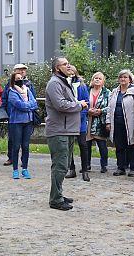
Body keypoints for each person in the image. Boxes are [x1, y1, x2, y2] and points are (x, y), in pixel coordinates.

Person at [45, 57, 87, 211]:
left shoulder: (63, 82)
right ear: (57, 68)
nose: (68, 65)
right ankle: (55, 199)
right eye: (64, 64)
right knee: (60, 165)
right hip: (59, 131)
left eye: (68, 63)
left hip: (68, 130)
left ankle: (59, 194)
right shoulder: (55, 83)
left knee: (63, 165)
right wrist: (79, 105)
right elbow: (61, 105)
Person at [106, 69, 134, 177]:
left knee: (132, 145)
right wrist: (108, 121)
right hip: (116, 122)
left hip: (130, 123)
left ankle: (133, 168)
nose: (123, 79)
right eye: (121, 77)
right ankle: (120, 167)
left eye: (125, 77)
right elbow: (109, 108)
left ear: (130, 80)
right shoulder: (114, 92)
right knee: (119, 146)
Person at [1, 63, 36, 166]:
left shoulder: (29, 85)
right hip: (13, 116)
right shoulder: (10, 85)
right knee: (12, 139)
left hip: (27, 117)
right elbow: (5, 98)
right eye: (20, 70)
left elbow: (34, 100)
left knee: (25, 143)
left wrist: (28, 106)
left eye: (24, 70)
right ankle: (11, 158)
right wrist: (4, 111)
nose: (22, 72)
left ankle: (23, 162)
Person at [7, 71, 38, 179]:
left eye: (22, 77)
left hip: (28, 121)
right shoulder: (11, 91)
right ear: (13, 80)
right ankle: (15, 169)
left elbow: (35, 103)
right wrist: (28, 106)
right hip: (16, 122)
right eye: (18, 78)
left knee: (25, 146)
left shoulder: (27, 90)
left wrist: (27, 105)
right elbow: (19, 105)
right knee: (16, 146)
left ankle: (25, 168)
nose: (21, 79)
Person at [65, 65, 90, 182]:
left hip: (80, 119)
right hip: (68, 119)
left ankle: (85, 170)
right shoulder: (63, 85)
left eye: (72, 72)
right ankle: (72, 169)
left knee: (83, 145)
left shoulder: (82, 86)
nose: (70, 75)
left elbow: (86, 103)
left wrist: (81, 114)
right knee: (69, 145)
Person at [86, 72, 110, 173]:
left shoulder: (107, 92)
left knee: (102, 146)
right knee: (86, 145)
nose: (97, 80)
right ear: (92, 79)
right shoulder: (86, 90)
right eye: (95, 78)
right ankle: (86, 165)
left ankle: (104, 165)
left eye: (100, 78)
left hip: (101, 122)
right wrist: (88, 110)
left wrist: (101, 111)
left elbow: (110, 106)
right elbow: (80, 102)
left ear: (103, 81)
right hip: (88, 121)